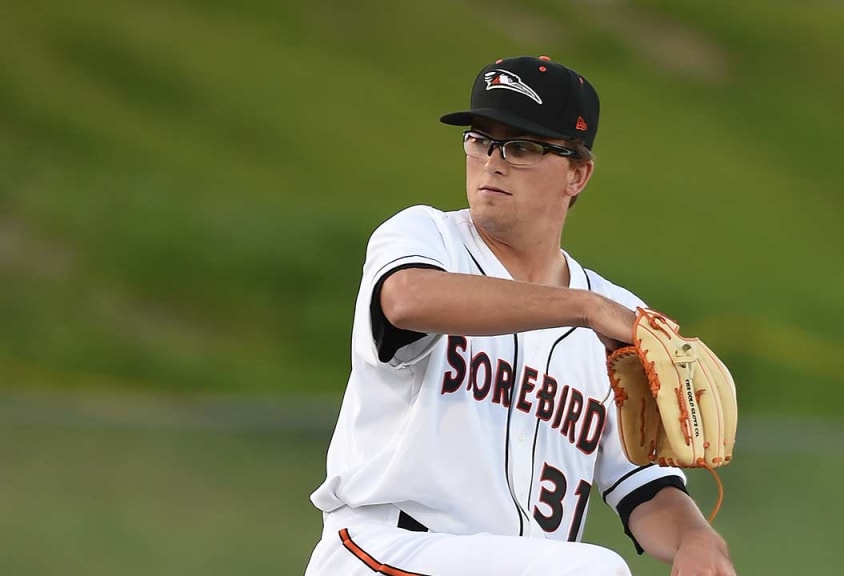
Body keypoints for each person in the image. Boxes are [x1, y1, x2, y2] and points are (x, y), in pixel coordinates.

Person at [304, 55, 736, 576]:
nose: (493, 161)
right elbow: (407, 300)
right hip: (385, 551)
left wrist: (695, 537)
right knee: (594, 572)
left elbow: (643, 485)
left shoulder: (617, 317)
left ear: (577, 173)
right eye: (481, 140)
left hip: (516, 565)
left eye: (523, 147)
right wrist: (583, 309)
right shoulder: (425, 238)